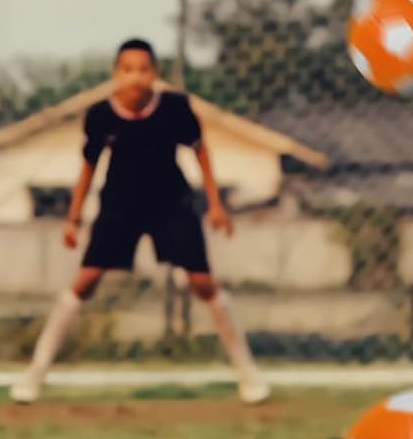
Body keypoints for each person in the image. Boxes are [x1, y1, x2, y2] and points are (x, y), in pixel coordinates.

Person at [14, 39, 269, 406]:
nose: (136, 76)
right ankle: (35, 373)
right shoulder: (100, 115)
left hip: (171, 203)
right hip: (119, 205)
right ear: (116, 74)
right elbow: (88, 167)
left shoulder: (175, 108)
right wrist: (73, 219)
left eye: (143, 69)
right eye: (128, 69)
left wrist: (215, 205)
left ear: (155, 74)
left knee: (202, 282)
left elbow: (200, 150)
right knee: (85, 282)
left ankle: (247, 372)